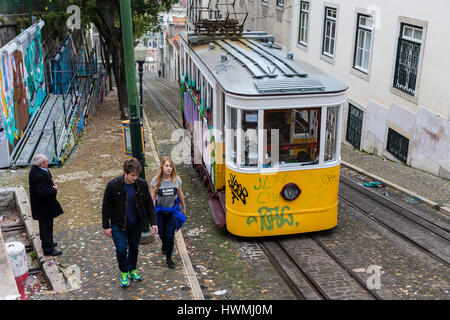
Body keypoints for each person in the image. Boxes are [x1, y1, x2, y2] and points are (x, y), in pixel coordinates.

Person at [102, 158, 158, 287]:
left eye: (137, 175)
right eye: (132, 175)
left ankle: (133, 269)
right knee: (121, 250)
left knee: (134, 248)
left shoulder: (141, 184)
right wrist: (106, 225)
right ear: (125, 173)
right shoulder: (113, 185)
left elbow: (149, 203)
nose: (135, 178)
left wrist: (153, 222)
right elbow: (106, 206)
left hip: (135, 223)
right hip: (118, 223)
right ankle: (124, 272)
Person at [150, 157, 186, 269]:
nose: (169, 168)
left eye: (170, 166)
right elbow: (152, 198)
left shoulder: (176, 180)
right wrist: (151, 214)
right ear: (162, 167)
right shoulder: (155, 181)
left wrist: (184, 207)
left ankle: (169, 259)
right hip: (160, 211)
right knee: (162, 234)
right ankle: (164, 244)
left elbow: (180, 194)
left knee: (170, 236)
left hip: (172, 212)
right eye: (166, 166)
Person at [29, 154, 63, 256]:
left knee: (48, 226)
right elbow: (42, 192)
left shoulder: (42, 170)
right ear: (41, 164)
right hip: (43, 207)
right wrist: (54, 189)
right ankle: (48, 249)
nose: (47, 163)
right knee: (45, 227)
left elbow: (48, 179)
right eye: (46, 162)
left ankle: (49, 242)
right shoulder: (37, 175)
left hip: (46, 206)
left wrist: (50, 182)